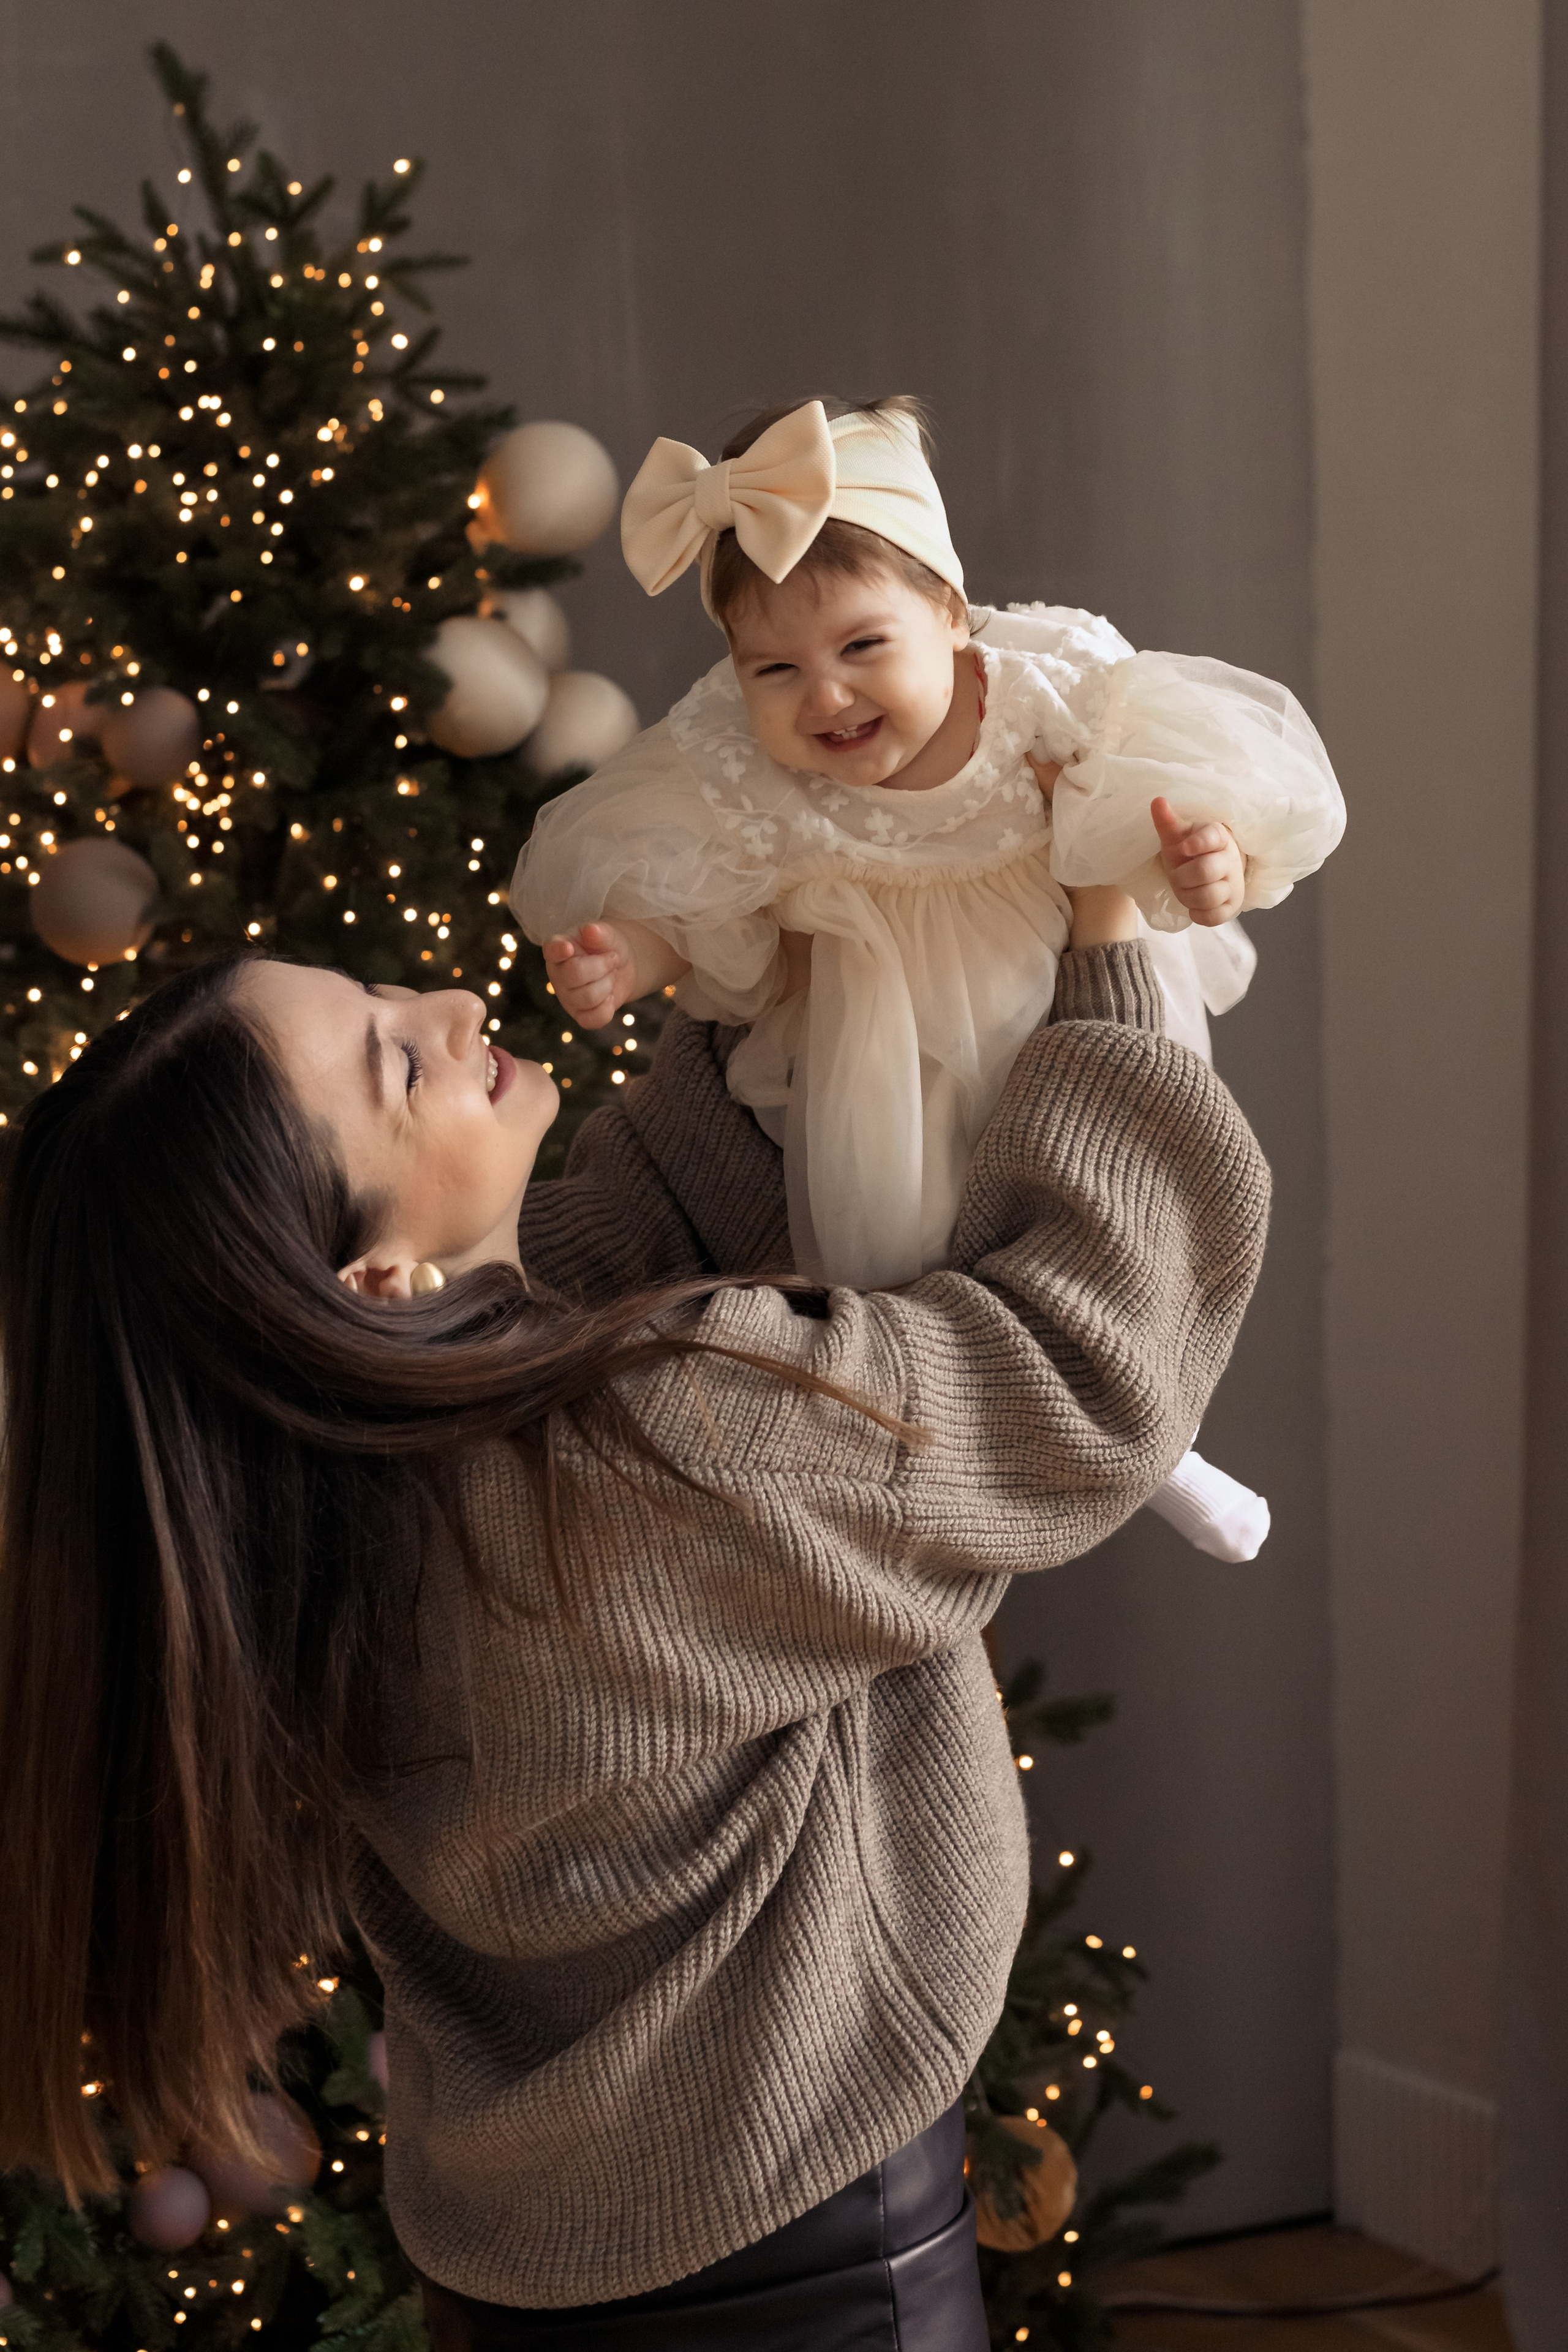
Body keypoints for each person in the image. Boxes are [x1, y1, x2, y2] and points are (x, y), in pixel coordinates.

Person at [0, 892, 1268, 2349]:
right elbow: (1066, 1375)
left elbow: (636, 1230)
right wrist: (1111, 955)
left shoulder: (323, 1502)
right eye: (394, 1065)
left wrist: (770, 928)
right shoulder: (651, 1452)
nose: (448, 1008)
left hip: (526, 2265)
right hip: (805, 2248)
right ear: (364, 1284)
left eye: (382, 992)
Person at [514, 394, 1338, 1566]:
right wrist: (633, 957)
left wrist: (1207, 862)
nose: (826, 697)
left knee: (1104, 1229)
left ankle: (1162, 1443)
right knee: (903, 1269)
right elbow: (713, 892)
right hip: (879, 1038)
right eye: (777, 668)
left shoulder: (1051, 685)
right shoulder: (742, 763)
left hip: (1067, 994)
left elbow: (1182, 806)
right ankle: (957, 1469)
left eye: (863, 648)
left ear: (951, 615)